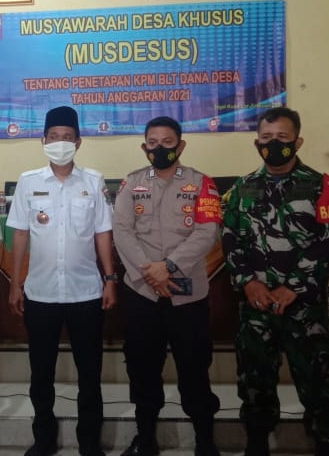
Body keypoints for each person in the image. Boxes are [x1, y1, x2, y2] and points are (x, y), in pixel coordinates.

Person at [221, 106, 329, 456]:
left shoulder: (321, 185)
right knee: (254, 381)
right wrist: (249, 282)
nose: (273, 144)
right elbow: (230, 238)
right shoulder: (242, 187)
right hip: (257, 305)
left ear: (298, 141)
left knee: (318, 383)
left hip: (304, 308)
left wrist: (293, 287)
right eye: (266, 138)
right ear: (256, 142)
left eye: (282, 138)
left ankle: (326, 444)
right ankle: (257, 442)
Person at [7, 106, 118, 456]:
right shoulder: (28, 181)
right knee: (41, 373)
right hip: (40, 294)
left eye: (67, 137)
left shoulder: (93, 181)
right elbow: (20, 235)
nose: (60, 143)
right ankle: (44, 439)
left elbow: (103, 233)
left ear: (78, 142)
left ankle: (90, 441)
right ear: (43, 140)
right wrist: (15, 283)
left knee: (90, 373)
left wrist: (110, 279)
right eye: (53, 137)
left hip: (86, 293)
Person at [112, 117, 223, 456]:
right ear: (144, 146)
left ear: (181, 145)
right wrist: (150, 273)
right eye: (153, 143)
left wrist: (168, 268)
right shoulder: (131, 183)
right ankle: (145, 438)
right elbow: (122, 230)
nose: (159, 148)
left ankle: (205, 440)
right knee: (142, 369)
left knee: (194, 368)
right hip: (142, 294)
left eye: (167, 142)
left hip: (187, 296)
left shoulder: (201, 183)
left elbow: (207, 232)